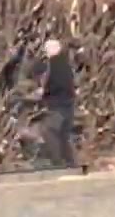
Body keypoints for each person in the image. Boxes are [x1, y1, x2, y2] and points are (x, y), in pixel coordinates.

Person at [29, 39, 78, 168]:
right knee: (63, 135)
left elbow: (56, 84)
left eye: (46, 50)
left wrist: (44, 92)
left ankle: (58, 162)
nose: (45, 53)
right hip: (68, 104)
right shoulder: (66, 64)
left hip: (58, 105)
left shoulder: (55, 64)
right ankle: (70, 162)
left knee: (49, 131)